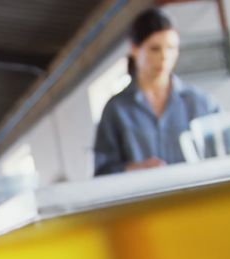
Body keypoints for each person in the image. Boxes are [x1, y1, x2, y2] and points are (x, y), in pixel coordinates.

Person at [93, 7, 221, 176]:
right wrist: (133, 169)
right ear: (134, 49)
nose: (164, 57)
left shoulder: (200, 102)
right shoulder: (116, 110)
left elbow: (224, 153)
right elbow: (102, 172)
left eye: (171, 48)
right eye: (155, 49)